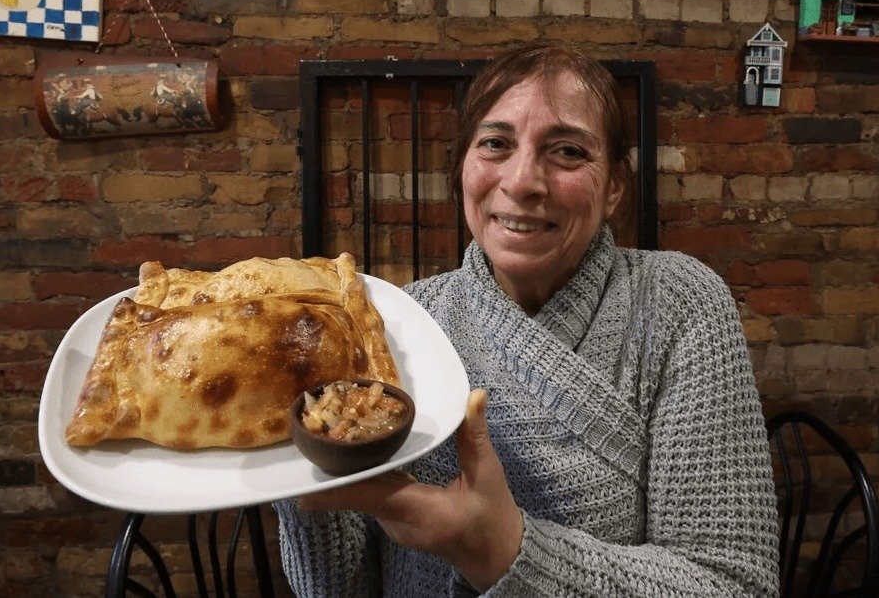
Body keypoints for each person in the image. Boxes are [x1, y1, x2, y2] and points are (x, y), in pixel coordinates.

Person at [274, 44, 779, 596]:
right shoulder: (403, 321)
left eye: (567, 152)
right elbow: (335, 589)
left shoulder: (680, 304)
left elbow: (735, 584)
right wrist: (293, 460)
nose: (521, 182)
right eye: (495, 143)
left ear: (613, 186)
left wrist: (503, 553)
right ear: (464, 168)